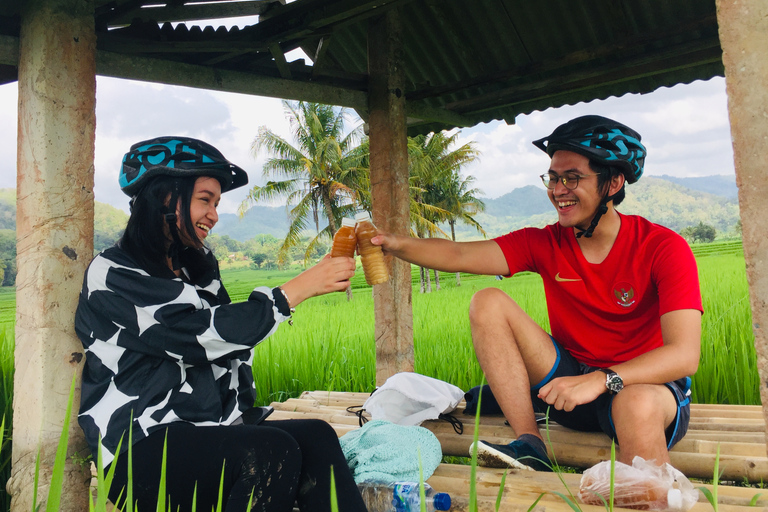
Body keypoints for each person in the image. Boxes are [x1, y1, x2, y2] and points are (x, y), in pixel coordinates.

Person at [372, 116, 702, 472]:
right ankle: (530, 443)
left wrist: (600, 379)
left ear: (613, 182)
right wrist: (392, 243)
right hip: (570, 388)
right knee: (487, 301)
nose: (558, 189)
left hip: (642, 389)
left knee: (635, 404)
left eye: (572, 178)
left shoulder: (663, 247)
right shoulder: (545, 242)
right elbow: (458, 255)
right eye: (553, 178)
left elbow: (684, 355)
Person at [75, 136, 366, 512]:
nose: (214, 213)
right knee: (267, 452)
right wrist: (293, 291)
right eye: (205, 199)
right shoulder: (114, 272)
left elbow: (231, 342)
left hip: (210, 428)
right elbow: (198, 335)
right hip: (140, 443)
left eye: (216, 203)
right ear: (165, 197)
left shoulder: (195, 266)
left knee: (316, 436)